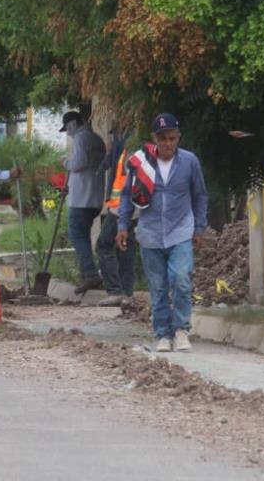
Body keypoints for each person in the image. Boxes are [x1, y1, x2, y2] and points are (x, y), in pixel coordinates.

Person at [116, 113, 207, 352]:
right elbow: (126, 195)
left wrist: (199, 227)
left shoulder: (189, 162)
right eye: (163, 139)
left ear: (179, 138)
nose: (168, 144)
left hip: (181, 231)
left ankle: (181, 330)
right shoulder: (142, 163)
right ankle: (162, 334)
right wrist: (123, 225)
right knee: (157, 287)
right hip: (150, 234)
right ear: (154, 138)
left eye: (173, 138)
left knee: (180, 279)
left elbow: (199, 195)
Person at [60, 110, 106, 294]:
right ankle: (89, 274)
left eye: (68, 129)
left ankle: (90, 274)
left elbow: (79, 163)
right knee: (83, 236)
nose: (68, 133)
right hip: (94, 198)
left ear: (72, 124)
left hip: (81, 199)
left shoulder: (81, 138)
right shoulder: (97, 140)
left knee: (77, 235)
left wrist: (65, 163)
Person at [96, 130, 138, 306]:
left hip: (123, 208)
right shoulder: (126, 148)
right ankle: (126, 292)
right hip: (128, 207)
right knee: (126, 248)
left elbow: (130, 181)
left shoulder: (132, 151)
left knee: (104, 244)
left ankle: (115, 291)